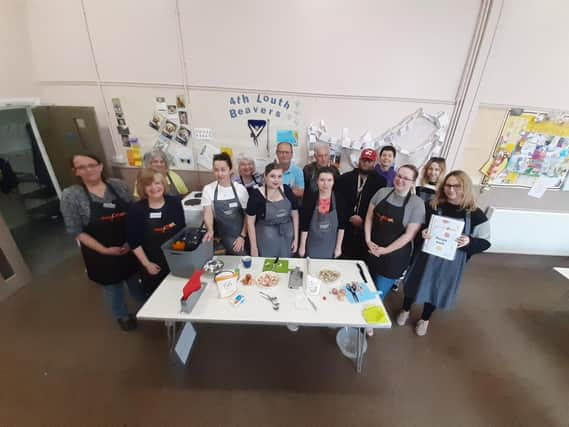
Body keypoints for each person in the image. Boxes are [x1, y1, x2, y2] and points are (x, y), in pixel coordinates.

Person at [396, 170, 491, 336]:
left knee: (436, 289)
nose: (451, 189)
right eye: (448, 185)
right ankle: (405, 309)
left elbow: (485, 242)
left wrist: (470, 241)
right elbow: (416, 226)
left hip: (451, 263)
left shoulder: (475, 214)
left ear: (465, 187)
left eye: (456, 186)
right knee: (414, 284)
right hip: (426, 257)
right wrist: (422, 233)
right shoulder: (432, 205)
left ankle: (425, 319)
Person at [60, 154, 146, 331]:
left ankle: (146, 308)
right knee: (112, 287)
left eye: (92, 165)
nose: (88, 170)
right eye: (82, 167)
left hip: (128, 246)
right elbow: (76, 231)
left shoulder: (118, 186)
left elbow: (134, 213)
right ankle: (122, 316)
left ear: (100, 166)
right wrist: (104, 250)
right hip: (99, 252)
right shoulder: (71, 196)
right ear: (75, 172)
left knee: (135, 280)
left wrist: (131, 242)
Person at [365, 165, 425, 302]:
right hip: (372, 249)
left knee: (377, 296)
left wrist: (385, 250)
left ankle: (365, 323)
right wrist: (368, 241)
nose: (400, 180)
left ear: (413, 182)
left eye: (406, 178)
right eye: (398, 176)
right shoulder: (381, 193)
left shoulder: (417, 204)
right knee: (365, 287)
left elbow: (408, 235)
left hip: (394, 258)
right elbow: (369, 218)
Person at [127, 169, 185, 294]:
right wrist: (147, 264)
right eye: (149, 184)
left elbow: (182, 231)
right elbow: (134, 242)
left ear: (163, 184)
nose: (154, 187)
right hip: (154, 263)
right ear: (142, 188)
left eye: (157, 183)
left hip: (177, 260)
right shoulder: (136, 210)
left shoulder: (175, 202)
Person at [335, 149, 387, 260]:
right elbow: (339, 202)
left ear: (374, 163)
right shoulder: (344, 178)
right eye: (364, 160)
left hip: (366, 229)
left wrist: (363, 221)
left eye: (369, 161)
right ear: (359, 160)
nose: (366, 163)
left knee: (360, 262)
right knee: (342, 258)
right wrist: (350, 217)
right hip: (345, 227)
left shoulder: (380, 182)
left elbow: (379, 207)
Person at [246, 162, 299, 258]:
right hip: (266, 238)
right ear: (265, 177)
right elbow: (250, 222)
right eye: (272, 176)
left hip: (287, 237)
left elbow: (295, 215)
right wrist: (254, 247)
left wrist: (296, 238)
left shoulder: (286, 190)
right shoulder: (256, 195)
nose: (276, 180)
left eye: (279, 176)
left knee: (285, 265)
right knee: (267, 267)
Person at [202, 152, 249, 255]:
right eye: (216, 170)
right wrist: (210, 230)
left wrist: (242, 236)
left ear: (230, 169)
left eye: (223, 170)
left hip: (243, 232)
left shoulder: (240, 189)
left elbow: (247, 215)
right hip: (224, 235)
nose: (219, 174)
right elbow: (208, 213)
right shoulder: (208, 189)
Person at [298, 167, 346, 259]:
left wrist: (338, 247)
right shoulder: (311, 198)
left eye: (329, 180)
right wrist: (302, 247)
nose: (325, 184)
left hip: (330, 244)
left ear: (333, 182)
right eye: (322, 180)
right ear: (317, 181)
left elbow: (341, 226)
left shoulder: (339, 199)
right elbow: (305, 225)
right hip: (312, 243)